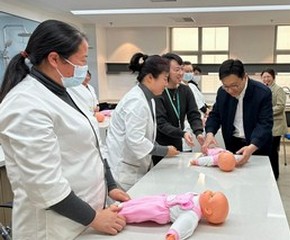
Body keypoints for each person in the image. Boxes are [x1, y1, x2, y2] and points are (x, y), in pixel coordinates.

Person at [0, 20, 130, 239]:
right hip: (53, 228)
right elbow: (44, 184)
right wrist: (93, 218)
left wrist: (110, 185)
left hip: (86, 217)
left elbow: (95, 147)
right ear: (54, 59)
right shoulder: (25, 104)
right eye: (82, 60)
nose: (85, 68)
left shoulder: (73, 92)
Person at [105, 53, 179, 191]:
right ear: (150, 78)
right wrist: (164, 150)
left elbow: (146, 136)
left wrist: (161, 148)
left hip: (135, 168)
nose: (166, 83)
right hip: (124, 172)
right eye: (164, 79)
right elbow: (135, 140)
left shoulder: (148, 99)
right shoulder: (136, 101)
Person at [202, 59, 273, 166]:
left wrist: (252, 146)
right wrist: (210, 133)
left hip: (256, 146)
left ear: (245, 77)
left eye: (235, 85)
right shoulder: (222, 92)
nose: (230, 90)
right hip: (233, 144)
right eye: (226, 86)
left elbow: (264, 124)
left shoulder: (261, 92)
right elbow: (215, 115)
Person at [153, 53, 204, 165]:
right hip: (160, 145)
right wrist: (182, 133)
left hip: (177, 141)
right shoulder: (159, 92)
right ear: (165, 71)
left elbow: (193, 114)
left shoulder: (185, 90)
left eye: (182, 69)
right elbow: (161, 123)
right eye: (177, 70)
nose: (181, 73)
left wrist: (198, 132)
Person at [117, 190, 229, 240]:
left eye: (211, 195)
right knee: (143, 200)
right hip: (162, 200)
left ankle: (120, 215)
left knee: (141, 211)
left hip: (162, 211)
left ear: (208, 210)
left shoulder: (192, 214)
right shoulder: (197, 197)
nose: (209, 191)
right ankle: (122, 206)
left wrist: (174, 235)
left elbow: (183, 225)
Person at [261, 68, 287, 180]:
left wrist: (267, 111)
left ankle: (275, 175)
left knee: (273, 152)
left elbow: (280, 106)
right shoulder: (263, 89)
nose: (266, 79)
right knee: (266, 151)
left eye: (268, 77)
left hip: (276, 125)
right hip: (267, 125)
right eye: (264, 77)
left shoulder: (278, 89)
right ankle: (268, 173)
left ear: (273, 77)